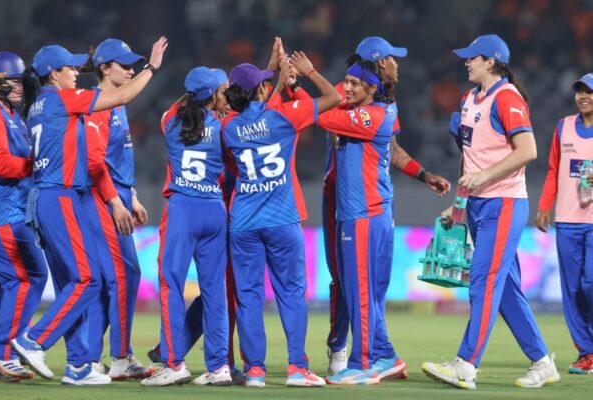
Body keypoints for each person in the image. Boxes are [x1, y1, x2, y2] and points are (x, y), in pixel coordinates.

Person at [10, 38, 167, 385]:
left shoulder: (37, 105)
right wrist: (152, 68)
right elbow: (122, 98)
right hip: (61, 196)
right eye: (69, 68)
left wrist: (128, 195)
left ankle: (79, 365)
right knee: (87, 279)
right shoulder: (62, 99)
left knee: (73, 281)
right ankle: (34, 340)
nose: (75, 73)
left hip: (46, 198)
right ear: (53, 74)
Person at [421, 34, 560, 389]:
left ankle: (466, 365)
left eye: (473, 57)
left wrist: (483, 178)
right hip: (478, 205)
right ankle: (543, 363)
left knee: (483, 282)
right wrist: (459, 202)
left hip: (504, 204)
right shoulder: (469, 99)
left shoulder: (507, 97)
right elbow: (470, 159)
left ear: (492, 62)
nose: (466, 62)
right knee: (506, 289)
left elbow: (528, 150)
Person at [323, 37, 451, 377]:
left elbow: (320, 114)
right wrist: (424, 174)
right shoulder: (360, 96)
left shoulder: (376, 106)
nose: (398, 64)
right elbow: (386, 148)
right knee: (361, 288)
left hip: (363, 208)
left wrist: (421, 173)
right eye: (394, 58)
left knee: (361, 288)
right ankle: (380, 353)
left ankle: (363, 361)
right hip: (359, 203)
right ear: (381, 64)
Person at [222, 53, 341, 387]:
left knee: (248, 297)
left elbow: (236, 154)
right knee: (290, 293)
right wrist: (305, 75)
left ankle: (255, 371)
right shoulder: (285, 116)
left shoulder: (228, 127)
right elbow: (334, 98)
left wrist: (275, 80)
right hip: (281, 219)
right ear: (261, 89)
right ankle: (296, 368)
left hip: (243, 222)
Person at [145, 67, 247, 385]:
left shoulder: (170, 122)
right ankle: (218, 368)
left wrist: (196, 93)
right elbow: (236, 165)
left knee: (171, 286)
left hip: (182, 211)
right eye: (222, 90)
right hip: (214, 211)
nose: (226, 95)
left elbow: (176, 107)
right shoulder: (224, 128)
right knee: (215, 292)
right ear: (212, 96)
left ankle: (174, 365)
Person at [78, 38, 155, 380]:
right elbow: (95, 164)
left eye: (132, 65)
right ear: (105, 68)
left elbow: (116, 158)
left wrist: (132, 195)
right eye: (124, 65)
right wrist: (115, 201)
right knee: (123, 275)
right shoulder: (99, 105)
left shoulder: (117, 105)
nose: (130, 70)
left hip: (119, 194)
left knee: (110, 278)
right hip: (103, 198)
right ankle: (118, 356)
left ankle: (92, 357)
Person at [0, 53, 48, 381]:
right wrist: (36, 166)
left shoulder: (12, 115)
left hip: (9, 210)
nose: (19, 86)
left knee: (1, 286)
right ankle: (2, 352)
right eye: (12, 80)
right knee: (28, 276)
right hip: (2, 213)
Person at [536, 73, 593, 375]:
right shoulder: (563, 127)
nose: (583, 96)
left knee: (590, 282)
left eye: (589, 92)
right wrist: (545, 206)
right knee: (571, 290)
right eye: (580, 91)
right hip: (568, 221)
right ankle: (587, 353)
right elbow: (553, 170)